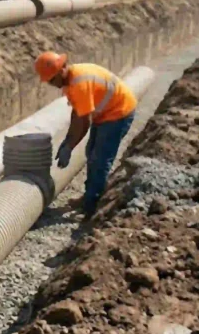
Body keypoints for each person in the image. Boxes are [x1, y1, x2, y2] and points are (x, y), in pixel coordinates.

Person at [34, 52, 137, 218]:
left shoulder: (79, 83)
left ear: (61, 70)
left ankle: (92, 207)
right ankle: (89, 197)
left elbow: (84, 123)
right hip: (107, 112)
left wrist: (70, 146)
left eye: (53, 80)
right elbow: (77, 113)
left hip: (118, 113)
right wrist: (68, 140)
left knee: (100, 159)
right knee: (91, 152)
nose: (52, 84)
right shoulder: (71, 79)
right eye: (49, 82)